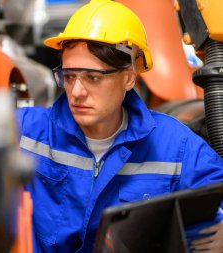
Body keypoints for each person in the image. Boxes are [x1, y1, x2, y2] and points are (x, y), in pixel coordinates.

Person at [15, 0, 223, 252]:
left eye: (92, 77)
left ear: (128, 78)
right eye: (69, 77)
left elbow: (214, 192)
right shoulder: (27, 131)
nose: (76, 92)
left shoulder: (174, 145)